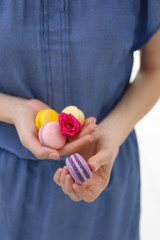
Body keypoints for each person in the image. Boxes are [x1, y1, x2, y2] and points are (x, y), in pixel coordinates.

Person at [0, 1, 160, 240]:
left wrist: (111, 134)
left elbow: (155, 67)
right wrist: (14, 109)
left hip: (104, 166)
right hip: (8, 184)